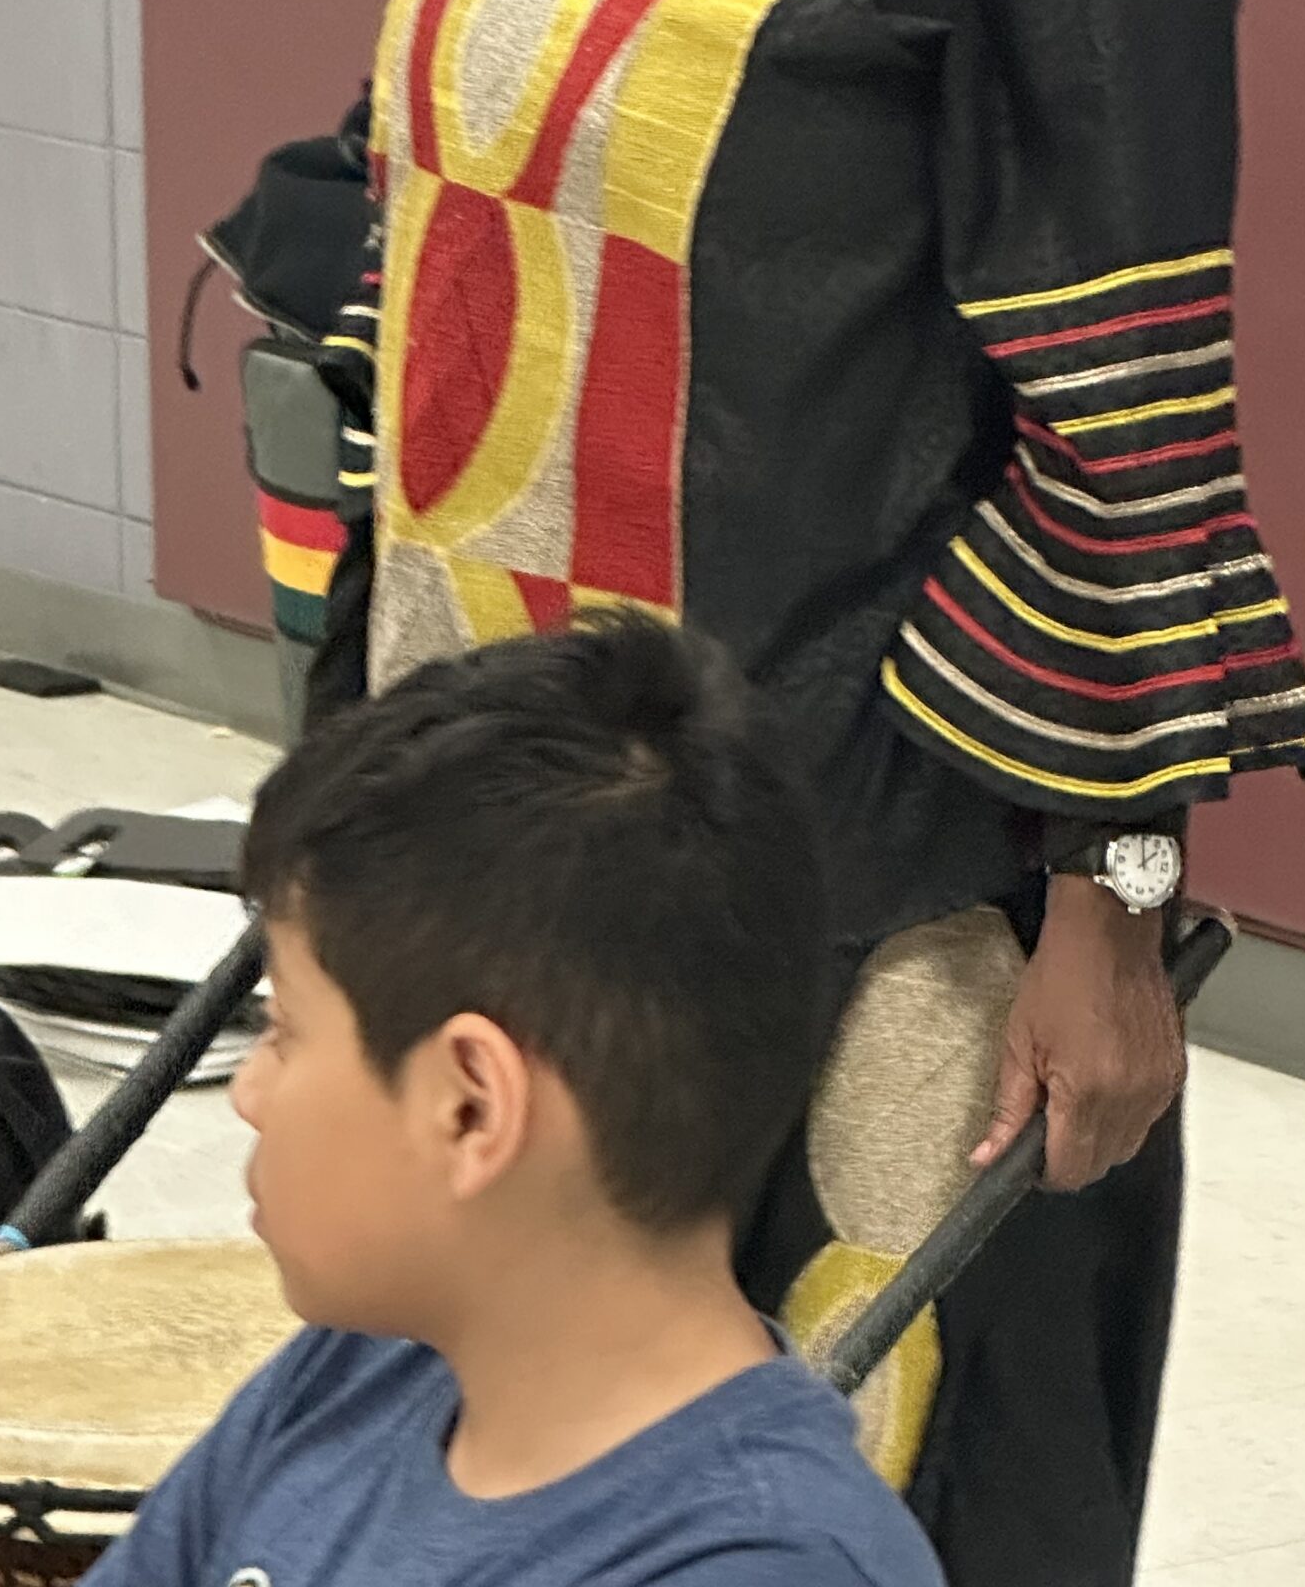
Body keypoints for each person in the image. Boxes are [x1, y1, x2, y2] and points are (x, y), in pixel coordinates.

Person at [309, 0, 1305, 1585]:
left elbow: (1127, 425)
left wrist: (1104, 899)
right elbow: (410, 191)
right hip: (506, 789)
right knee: (514, 1416)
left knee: (866, 1452)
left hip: (859, 839)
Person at [87, 618, 943, 1587]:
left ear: (470, 1108)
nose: (249, 1093)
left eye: (286, 1031)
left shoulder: (759, 1565)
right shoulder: (358, 1370)